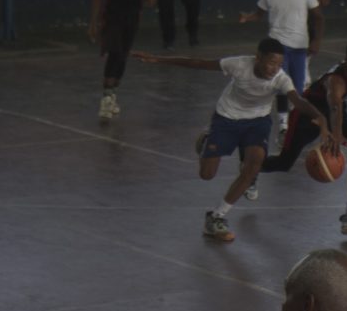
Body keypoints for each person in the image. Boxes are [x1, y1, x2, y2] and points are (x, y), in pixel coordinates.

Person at [131, 38, 330, 242]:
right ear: (258, 57)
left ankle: (217, 216)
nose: (275, 68)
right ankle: (208, 140)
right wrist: (158, 59)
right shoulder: (239, 65)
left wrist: (320, 117)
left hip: (257, 122)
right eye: (271, 62)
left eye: (279, 64)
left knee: (253, 165)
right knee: (207, 174)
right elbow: (198, 63)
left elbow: (298, 101)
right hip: (227, 119)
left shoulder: (281, 78)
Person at [259, 39, 347, 236]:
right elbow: (334, 107)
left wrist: (336, 132)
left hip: (333, 113)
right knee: (285, 162)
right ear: (346, 61)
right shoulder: (336, 80)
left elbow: (338, 109)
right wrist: (336, 136)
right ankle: (252, 166)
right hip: (308, 114)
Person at [240, 0, 324, 142]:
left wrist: (316, 40)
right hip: (278, 46)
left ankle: (297, 123)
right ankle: (284, 125)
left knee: (299, 88)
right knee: (282, 86)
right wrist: (248, 17)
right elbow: (259, 14)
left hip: (300, 47)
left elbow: (318, 17)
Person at [88, 0, 156, 122]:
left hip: (131, 22)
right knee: (115, 53)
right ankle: (106, 98)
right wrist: (93, 22)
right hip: (112, 20)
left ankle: (112, 94)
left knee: (123, 56)